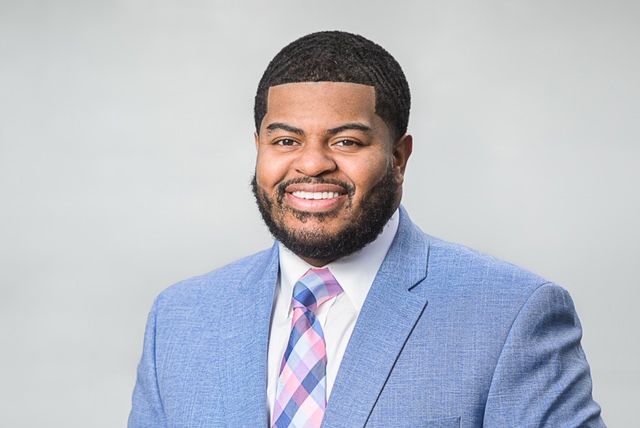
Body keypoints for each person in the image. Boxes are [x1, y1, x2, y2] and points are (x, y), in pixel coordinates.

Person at [129, 31, 605, 427]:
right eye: (286, 140)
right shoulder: (180, 318)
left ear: (398, 157)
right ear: (258, 148)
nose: (312, 164)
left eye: (347, 141)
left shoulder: (512, 315)